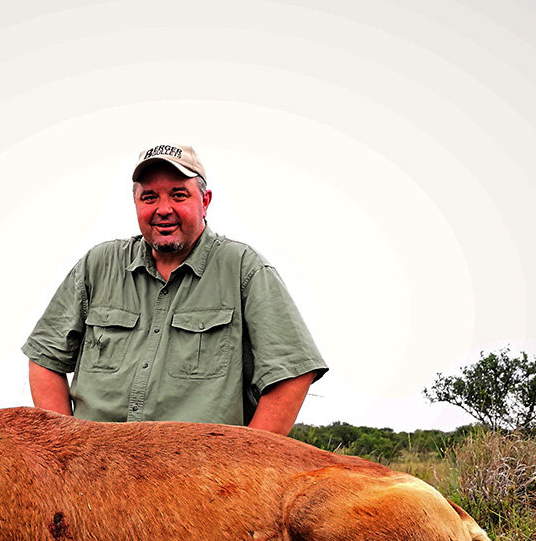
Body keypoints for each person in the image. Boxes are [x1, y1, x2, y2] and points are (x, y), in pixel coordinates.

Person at [22, 143, 325, 434]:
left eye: (179, 195)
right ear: (136, 204)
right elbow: (45, 358)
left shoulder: (244, 268)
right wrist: (64, 447)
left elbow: (292, 372)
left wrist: (247, 464)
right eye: (149, 197)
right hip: (96, 473)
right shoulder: (98, 265)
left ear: (204, 201)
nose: (163, 209)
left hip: (201, 478)